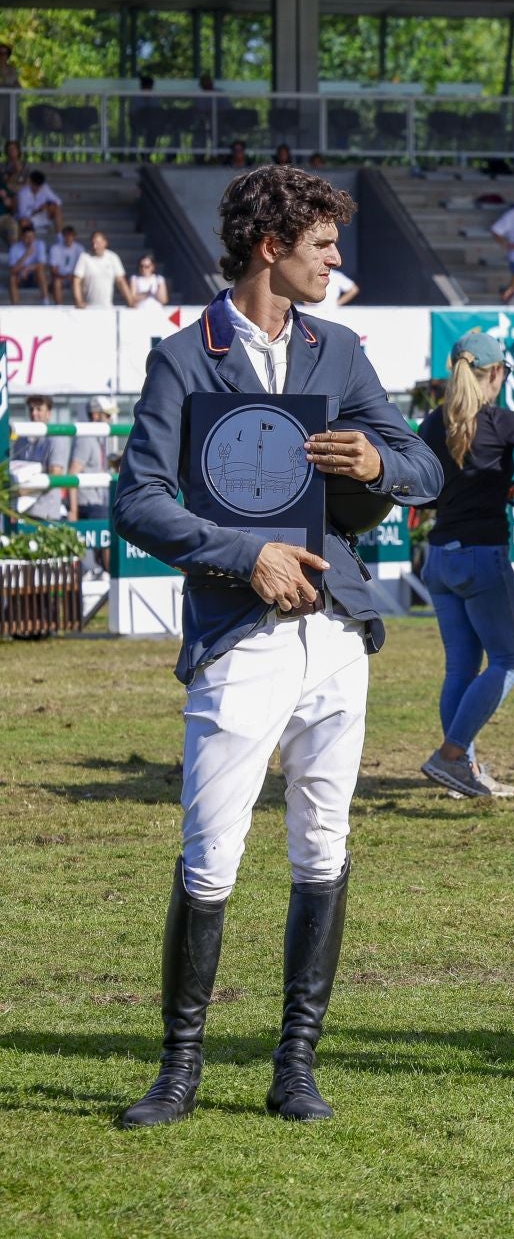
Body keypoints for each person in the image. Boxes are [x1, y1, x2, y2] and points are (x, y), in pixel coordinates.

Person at [112, 165, 441, 1127]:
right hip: (238, 633)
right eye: (325, 245)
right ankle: (180, 1067)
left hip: (337, 634)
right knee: (211, 856)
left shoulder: (339, 351)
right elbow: (135, 500)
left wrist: (382, 460)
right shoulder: (184, 357)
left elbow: (420, 462)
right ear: (272, 247)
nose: (338, 261)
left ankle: (296, 1064)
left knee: (322, 848)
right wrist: (245, 553)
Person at [417, 333, 514, 798]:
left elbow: (426, 490)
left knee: (460, 669)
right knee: (510, 661)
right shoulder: (499, 422)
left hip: (439, 558)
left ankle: (459, 770)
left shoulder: (430, 423)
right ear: (497, 373)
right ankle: (450, 754)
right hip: (481, 558)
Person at [11, 394, 69, 520]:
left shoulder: (57, 438)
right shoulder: (22, 438)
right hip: (21, 510)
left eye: (38, 409)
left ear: (49, 413)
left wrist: (23, 491)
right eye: (31, 409)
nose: (34, 413)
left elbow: (55, 474)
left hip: (45, 512)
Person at [70, 395, 118, 524]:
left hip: (94, 503)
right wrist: (74, 511)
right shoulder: (86, 439)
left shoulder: (96, 439)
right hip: (87, 505)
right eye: (107, 415)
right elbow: (73, 473)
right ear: (96, 415)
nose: (110, 420)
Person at [72, 229, 130, 309]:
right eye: (93, 243)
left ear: (105, 243)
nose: (95, 246)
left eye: (98, 243)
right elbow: (76, 281)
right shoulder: (84, 257)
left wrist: (130, 300)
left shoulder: (113, 257)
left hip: (107, 307)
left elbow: (121, 281)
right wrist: (79, 301)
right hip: (88, 308)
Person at [7, 222, 48, 304]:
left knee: (41, 272)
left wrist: (26, 269)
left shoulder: (40, 244)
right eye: (27, 237)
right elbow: (12, 270)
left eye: (32, 237)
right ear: (22, 237)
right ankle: (15, 306)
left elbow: (41, 265)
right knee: (12, 278)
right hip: (20, 277)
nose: (30, 240)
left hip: (34, 277)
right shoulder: (14, 248)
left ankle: (45, 302)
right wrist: (26, 255)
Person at [17, 170, 61, 235]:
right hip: (30, 218)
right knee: (23, 222)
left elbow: (58, 201)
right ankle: (30, 238)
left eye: (39, 185)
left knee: (56, 207)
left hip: (43, 215)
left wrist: (48, 205)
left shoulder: (44, 187)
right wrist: (37, 210)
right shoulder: (22, 194)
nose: (38, 188)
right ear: (30, 182)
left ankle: (59, 236)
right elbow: (22, 214)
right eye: (36, 185)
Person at [47, 224, 82, 304]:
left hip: (74, 277)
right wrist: (65, 276)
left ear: (74, 237)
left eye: (70, 236)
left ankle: (79, 305)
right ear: (62, 236)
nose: (68, 238)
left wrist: (73, 276)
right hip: (60, 277)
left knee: (78, 281)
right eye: (66, 236)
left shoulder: (80, 249)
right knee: (57, 282)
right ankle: (59, 307)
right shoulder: (55, 248)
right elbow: (53, 269)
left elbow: (82, 268)